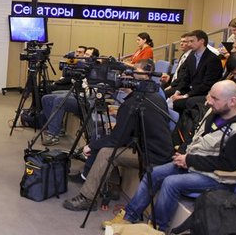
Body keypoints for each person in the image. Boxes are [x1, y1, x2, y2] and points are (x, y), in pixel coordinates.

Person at [105, 80, 236, 232]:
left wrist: (189, 160)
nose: (208, 101)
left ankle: (156, 228)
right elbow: (195, 135)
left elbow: (227, 165)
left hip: (217, 178)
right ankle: (129, 216)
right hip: (195, 165)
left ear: (232, 101)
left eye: (215, 98)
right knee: (153, 173)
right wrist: (183, 152)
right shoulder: (214, 112)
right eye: (209, 96)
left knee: (171, 183)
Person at [63, 60, 174, 211]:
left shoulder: (133, 102)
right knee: (107, 142)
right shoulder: (155, 94)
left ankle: (87, 198)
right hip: (158, 149)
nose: (121, 77)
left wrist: (91, 146)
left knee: (107, 153)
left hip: (152, 155)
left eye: (125, 75)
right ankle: (112, 186)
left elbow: (117, 139)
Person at [40, 47, 99, 146]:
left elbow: (91, 94)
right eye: (85, 54)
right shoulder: (83, 67)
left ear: (94, 58)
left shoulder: (95, 71)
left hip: (86, 101)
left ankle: (53, 135)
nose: (84, 56)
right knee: (46, 98)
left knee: (59, 100)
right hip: (77, 94)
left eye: (87, 55)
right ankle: (57, 128)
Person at [168, 29, 222, 114]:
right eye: (188, 41)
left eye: (192, 41)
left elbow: (207, 85)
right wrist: (177, 92)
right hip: (192, 90)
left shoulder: (212, 59)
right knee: (171, 97)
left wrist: (186, 95)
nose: (189, 44)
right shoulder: (191, 56)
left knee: (178, 103)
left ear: (202, 41)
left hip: (204, 93)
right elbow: (185, 78)